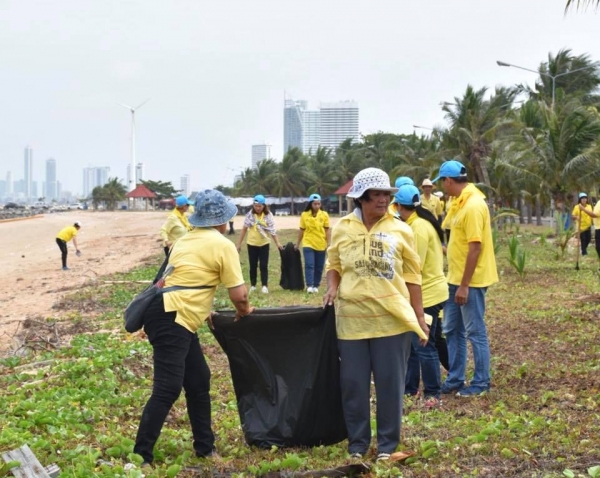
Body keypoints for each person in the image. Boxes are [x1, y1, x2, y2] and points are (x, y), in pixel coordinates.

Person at [134, 189, 254, 466]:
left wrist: (203, 309)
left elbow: (186, 279)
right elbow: (240, 296)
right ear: (222, 219)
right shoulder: (223, 245)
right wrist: (245, 312)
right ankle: (140, 457)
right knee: (167, 388)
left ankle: (205, 448)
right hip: (173, 316)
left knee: (199, 381)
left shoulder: (184, 239)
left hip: (171, 314)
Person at [324, 167, 429, 460]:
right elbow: (334, 264)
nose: (383, 200)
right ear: (361, 198)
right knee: (353, 386)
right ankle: (357, 445)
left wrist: (419, 316)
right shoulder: (343, 228)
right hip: (352, 321)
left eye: (386, 194)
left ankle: (386, 447)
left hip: (391, 321)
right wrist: (332, 287)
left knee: (390, 387)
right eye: (376, 195)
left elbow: (413, 276)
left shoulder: (401, 229)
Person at [433, 160, 498, 397]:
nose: (442, 186)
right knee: (452, 329)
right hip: (455, 278)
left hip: (470, 281)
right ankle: (455, 378)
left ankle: (481, 382)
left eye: (443, 181)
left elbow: (475, 247)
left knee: (474, 331)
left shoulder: (473, 205)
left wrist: (464, 285)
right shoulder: (459, 202)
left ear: (449, 180)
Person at [394, 185, 449, 409]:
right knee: (423, 344)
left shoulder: (416, 228)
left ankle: (433, 393)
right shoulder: (420, 222)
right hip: (431, 291)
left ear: (399, 206)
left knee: (424, 345)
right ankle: (411, 388)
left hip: (427, 293)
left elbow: (414, 267)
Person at [236, 194, 283, 294]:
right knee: (253, 265)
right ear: (253, 205)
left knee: (263, 265)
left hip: (264, 244)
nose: (257, 208)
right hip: (251, 244)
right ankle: (253, 285)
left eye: (260, 206)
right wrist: (239, 244)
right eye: (256, 206)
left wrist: (278, 243)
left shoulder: (268, 215)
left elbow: (272, 230)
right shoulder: (250, 215)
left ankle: (264, 286)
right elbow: (244, 229)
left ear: (264, 206)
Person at [295, 193, 331, 293]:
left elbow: (327, 230)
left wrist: (329, 243)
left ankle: (316, 285)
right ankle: (309, 285)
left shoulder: (324, 215)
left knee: (319, 266)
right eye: (315, 204)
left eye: (318, 204)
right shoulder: (304, 215)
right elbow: (301, 230)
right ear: (310, 204)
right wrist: (297, 244)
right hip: (308, 243)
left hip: (321, 244)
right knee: (309, 264)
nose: (317, 206)